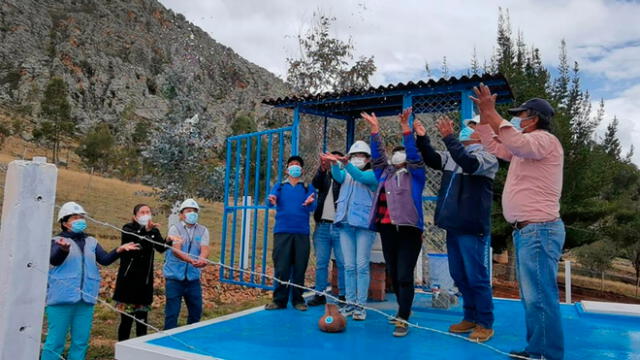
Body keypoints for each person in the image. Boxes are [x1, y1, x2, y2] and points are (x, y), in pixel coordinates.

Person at [471, 85, 565, 360]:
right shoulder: (526, 147)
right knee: (532, 298)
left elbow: (516, 143)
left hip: (539, 230)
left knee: (540, 298)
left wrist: (492, 113)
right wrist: (486, 120)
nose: (516, 120)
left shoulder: (543, 140)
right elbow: (497, 147)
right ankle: (537, 350)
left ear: (533, 119)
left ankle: (546, 354)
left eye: (520, 116)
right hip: (530, 231)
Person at [414, 116, 499, 342]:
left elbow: (469, 163)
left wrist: (449, 138)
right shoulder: (454, 154)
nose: (466, 130)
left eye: (472, 127)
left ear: (484, 134)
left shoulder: (488, 157)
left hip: (471, 228)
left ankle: (485, 322)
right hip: (454, 226)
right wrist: (423, 139)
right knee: (459, 275)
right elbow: (433, 159)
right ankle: (469, 316)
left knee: (476, 276)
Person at [42, 202, 140, 360]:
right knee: (55, 342)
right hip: (61, 298)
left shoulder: (91, 241)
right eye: (75, 217)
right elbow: (54, 260)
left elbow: (105, 260)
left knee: (81, 342)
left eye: (81, 217)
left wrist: (119, 250)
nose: (80, 220)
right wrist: (64, 250)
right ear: (65, 222)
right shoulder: (56, 241)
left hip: (86, 298)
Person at [363, 109, 426, 337]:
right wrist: (374, 130)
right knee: (394, 272)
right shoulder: (385, 174)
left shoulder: (416, 175)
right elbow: (378, 155)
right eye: (396, 152)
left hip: (409, 231)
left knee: (404, 275)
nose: (399, 155)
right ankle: (402, 310)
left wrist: (406, 129)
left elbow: (414, 154)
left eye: (403, 153)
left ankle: (404, 319)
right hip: (387, 230)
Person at [321, 140, 378, 321]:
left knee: (361, 266)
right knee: (348, 266)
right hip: (344, 223)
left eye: (361, 156)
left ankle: (360, 306)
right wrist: (334, 164)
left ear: (368, 158)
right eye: (354, 156)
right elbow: (338, 177)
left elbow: (361, 178)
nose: (357, 159)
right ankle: (350, 303)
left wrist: (344, 163)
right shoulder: (346, 173)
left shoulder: (373, 174)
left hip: (364, 226)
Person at [113, 204, 181, 340]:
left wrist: (168, 240)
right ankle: (122, 350)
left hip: (144, 282)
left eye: (148, 212)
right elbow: (134, 243)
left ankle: (140, 349)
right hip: (128, 283)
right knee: (126, 321)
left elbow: (160, 248)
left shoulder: (154, 231)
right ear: (135, 216)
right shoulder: (127, 228)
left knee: (142, 321)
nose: (146, 215)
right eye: (142, 212)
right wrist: (145, 230)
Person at [265, 155, 317, 311]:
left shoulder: (307, 187)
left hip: (301, 232)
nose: (294, 167)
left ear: (301, 169)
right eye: (292, 164)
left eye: (297, 165)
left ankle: (298, 300)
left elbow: (313, 206)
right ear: (287, 169)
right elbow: (269, 202)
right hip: (282, 232)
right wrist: (271, 200)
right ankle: (279, 300)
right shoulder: (280, 186)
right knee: (282, 267)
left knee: (300, 267)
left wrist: (311, 203)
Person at [163, 198, 210, 330]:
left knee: (196, 312)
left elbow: (204, 249)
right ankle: (168, 339)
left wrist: (202, 259)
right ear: (181, 214)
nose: (192, 213)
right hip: (175, 278)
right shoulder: (175, 229)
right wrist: (191, 260)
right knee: (172, 313)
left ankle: (191, 338)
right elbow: (176, 250)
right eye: (189, 211)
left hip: (193, 278)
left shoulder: (202, 230)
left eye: (195, 211)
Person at [308, 151, 347, 307]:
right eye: (330, 160)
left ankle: (343, 295)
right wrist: (322, 168)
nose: (332, 163)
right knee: (321, 263)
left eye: (335, 160)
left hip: (340, 226)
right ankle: (320, 294)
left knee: (343, 263)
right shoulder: (324, 176)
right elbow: (315, 183)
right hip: (322, 226)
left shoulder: (345, 177)